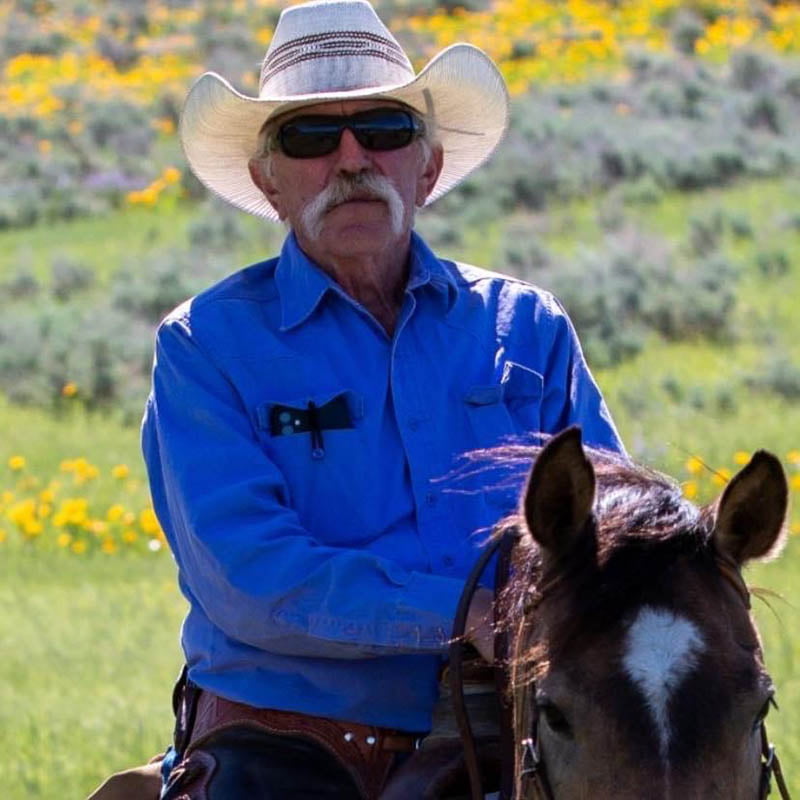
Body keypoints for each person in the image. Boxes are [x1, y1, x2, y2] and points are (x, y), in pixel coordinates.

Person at [89, 1, 623, 798]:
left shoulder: (527, 327)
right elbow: (251, 577)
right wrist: (463, 615)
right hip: (287, 743)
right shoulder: (206, 345)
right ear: (268, 181)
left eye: (383, 128)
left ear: (428, 167)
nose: (350, 159)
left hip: (512, 732)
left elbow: (606, 535)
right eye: (310, 137)